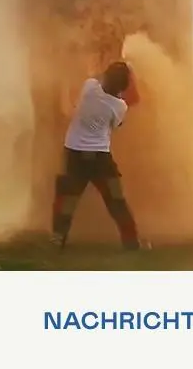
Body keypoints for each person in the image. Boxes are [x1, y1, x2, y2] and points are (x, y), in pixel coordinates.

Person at [50, 61, 144, 251]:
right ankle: (131, 242)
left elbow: (99, 77)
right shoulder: (119, 107)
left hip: (74, 154)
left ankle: (58, 239)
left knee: (67, 200)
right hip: (100, 158)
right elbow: (116, 125)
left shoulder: (89, 87)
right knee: (116, 201)